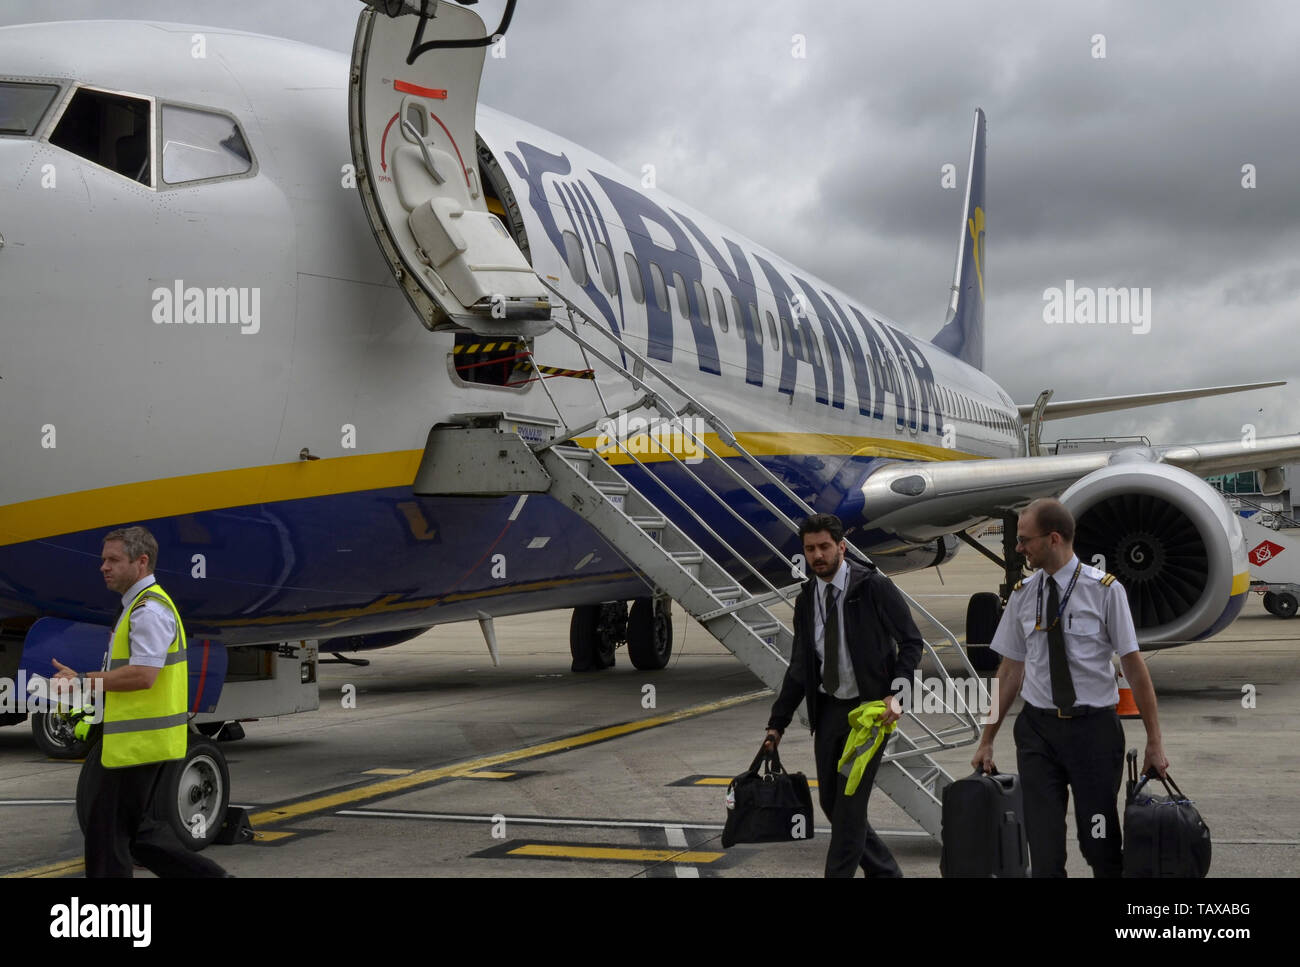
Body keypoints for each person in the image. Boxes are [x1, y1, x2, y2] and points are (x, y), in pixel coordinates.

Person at [971, 498, 1169, 877]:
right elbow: (1010, 671)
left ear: (1055, 538)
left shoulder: (1106, 591)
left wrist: (1154, 741)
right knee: (1044, 853)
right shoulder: (1022, 594)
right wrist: (987, 738)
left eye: (1025, 539)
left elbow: (1134, 667)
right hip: (1038, 734)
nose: (1018, 548)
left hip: (1093, 733)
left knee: (1099, 845)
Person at [53, 525, 229, 878]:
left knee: (107, 835)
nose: (103, 567)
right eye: (103, 560)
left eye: (113, 560)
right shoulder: (139, 606)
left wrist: (85, 681)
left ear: (141, 561)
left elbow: (143, 675)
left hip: (136, 746)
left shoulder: (148, 611)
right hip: (136, 743)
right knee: (137, 835)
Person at [764, 513, 923, 877]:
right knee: (833, 805)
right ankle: (887, 873)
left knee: (850, 810)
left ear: (841, 547)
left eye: (824, 547)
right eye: (810, 549)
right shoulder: (807, 599)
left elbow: (912, 642)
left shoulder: (873, 588)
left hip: (869, 715)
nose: (817, 555)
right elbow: (800, 666)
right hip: (830, 711)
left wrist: (897, 695)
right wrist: (777, 723)